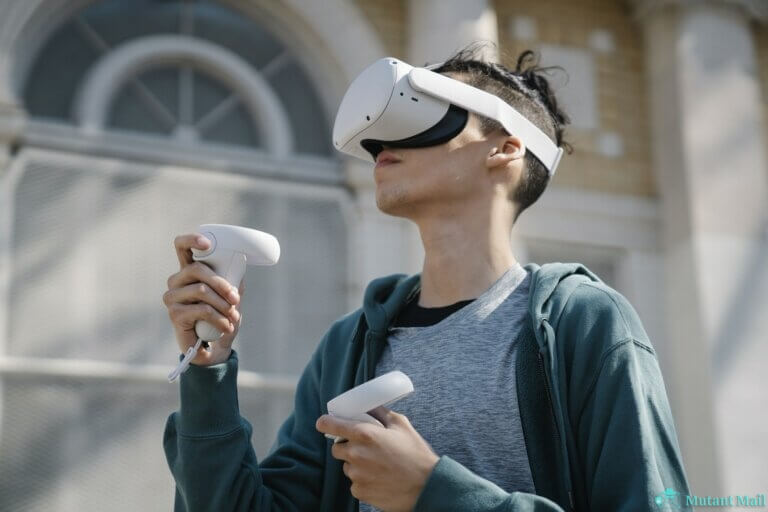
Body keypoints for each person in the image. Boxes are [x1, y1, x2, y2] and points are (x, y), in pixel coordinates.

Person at [162, 47, 691, 511]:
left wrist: (433, 493)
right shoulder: (347, 346)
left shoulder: (584, 323)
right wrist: (207, 371)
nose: (380, 143)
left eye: (423, 113)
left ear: (505, 147)